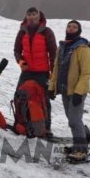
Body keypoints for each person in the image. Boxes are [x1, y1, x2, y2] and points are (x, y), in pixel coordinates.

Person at [48, 20, 90, 162]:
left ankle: (81, 150)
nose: (71, 28)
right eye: (69, 26)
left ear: (79, 31)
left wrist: (79, 92)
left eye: (74, 27)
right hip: (64, 89)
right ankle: (81, 141)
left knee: (74, 120)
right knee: (73, 119)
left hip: (76, 91)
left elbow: (86, 73)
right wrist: (51, 88)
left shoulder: (83, 48)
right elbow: (56, 69)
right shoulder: (63, 47)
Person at [14, 7, 57, 136]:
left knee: (44, 99)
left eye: (34, 14)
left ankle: (46, 127)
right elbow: (16, 51)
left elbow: (53, 53)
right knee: (19, 96)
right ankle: (20, 123)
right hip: (27, 71)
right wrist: (21, 62)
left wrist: (53, 74)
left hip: (42, 72)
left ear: (39, 16)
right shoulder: (22, 32)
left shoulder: (47, 32)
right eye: (29, 14)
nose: (31, 17)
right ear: (26, 17)